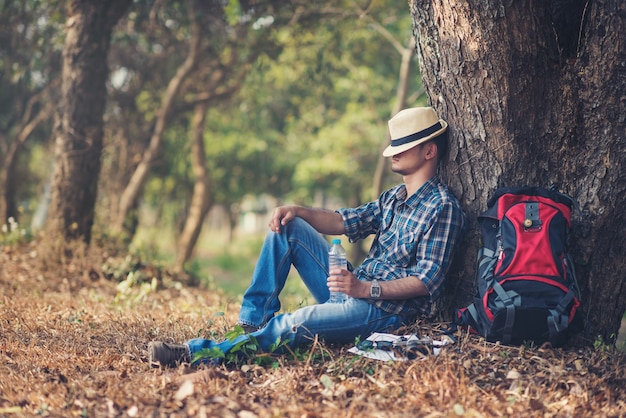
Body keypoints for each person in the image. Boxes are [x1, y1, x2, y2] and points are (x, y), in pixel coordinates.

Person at [148, 107, 466, 367]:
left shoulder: (442, 207)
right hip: (350, 289)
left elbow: (427, 281)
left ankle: (198, 355)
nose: (392, 155)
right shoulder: (393, 197)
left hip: (382, 313)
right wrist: (298, 210)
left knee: (294, 323)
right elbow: (345, 221)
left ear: (429, 150)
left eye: (402, 148)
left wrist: (364, 289)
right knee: (289, 227)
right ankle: (254, 326)